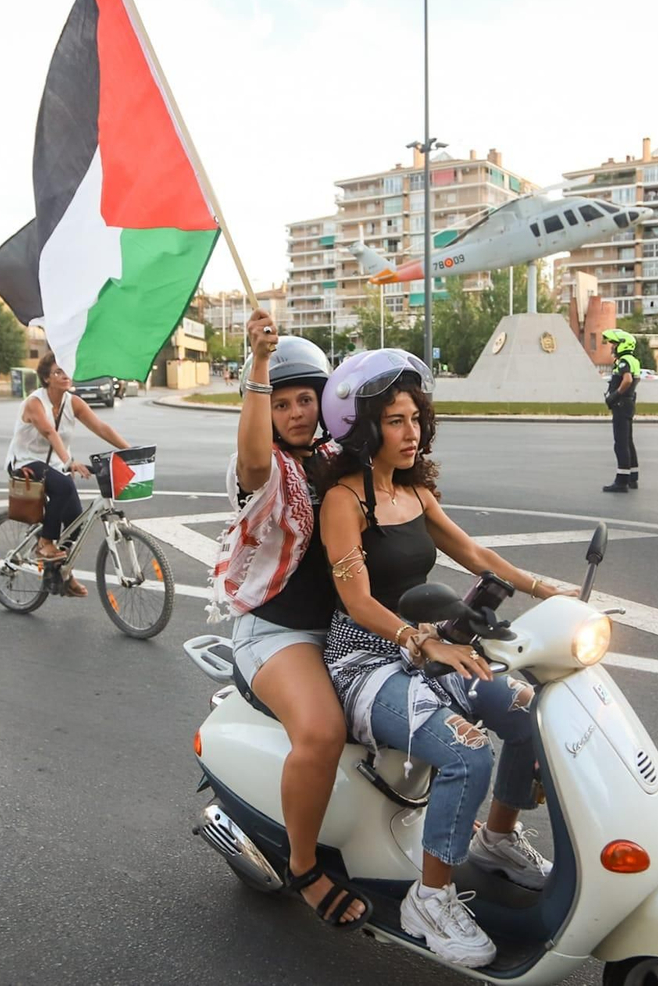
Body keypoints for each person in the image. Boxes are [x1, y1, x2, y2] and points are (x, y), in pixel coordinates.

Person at [317, 349, 574, 967]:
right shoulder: (343, 502)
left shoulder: (414, 491)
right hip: (364, 661)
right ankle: (429, 898)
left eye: (416, 419)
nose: (412, 432)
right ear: (364, 429)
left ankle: (498, 839)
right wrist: (420, 639)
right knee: (466, 751)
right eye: (396, 421)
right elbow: (356, 600)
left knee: (527, 711)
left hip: (428, 644)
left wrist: (547, 589)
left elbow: (475, 555)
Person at [207, 311, 368, 930]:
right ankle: (304, 868)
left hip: (344, 627)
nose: (297, 412)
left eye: (306, 399)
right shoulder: (265, 471)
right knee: (323, 732)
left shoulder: (336, 460)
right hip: (275, 633)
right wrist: (258, 364)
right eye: (282, 404)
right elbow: (253, 461)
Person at [4, 353, 131, 591]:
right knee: (63, 487)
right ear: (46, 378)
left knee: (75, 520)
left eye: (66, 371)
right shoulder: (34, 403)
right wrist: (69, 461)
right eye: (58, 372)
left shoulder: (73, 402)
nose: (65, 376)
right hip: (26, 461)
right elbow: (49, 432)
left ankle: (59, 573)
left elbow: (101, 427)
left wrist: (130, 451)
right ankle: (44, 542)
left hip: (55, 464)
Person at [600, 328, 641, 494]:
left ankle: (621, 481)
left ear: (623, 345)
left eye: (614, 344)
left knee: (620, 444)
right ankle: (632, 477)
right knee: (628, 441)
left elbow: (627, 380)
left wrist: (615, 395)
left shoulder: (624, 361)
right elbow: (635, 379)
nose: (612, 347)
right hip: (628, 404)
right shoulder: (634, 360)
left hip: (621, 405)